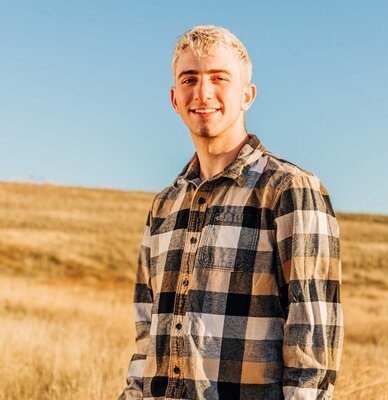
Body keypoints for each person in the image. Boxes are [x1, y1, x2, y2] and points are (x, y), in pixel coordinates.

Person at [118, 25, 344, 400]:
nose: (203, 92)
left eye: (219, 78)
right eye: (189, 79)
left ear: (247, 95)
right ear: (175, 98)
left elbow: (312, 339)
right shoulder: (164, 205)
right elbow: (146, 334)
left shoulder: (289, 189)